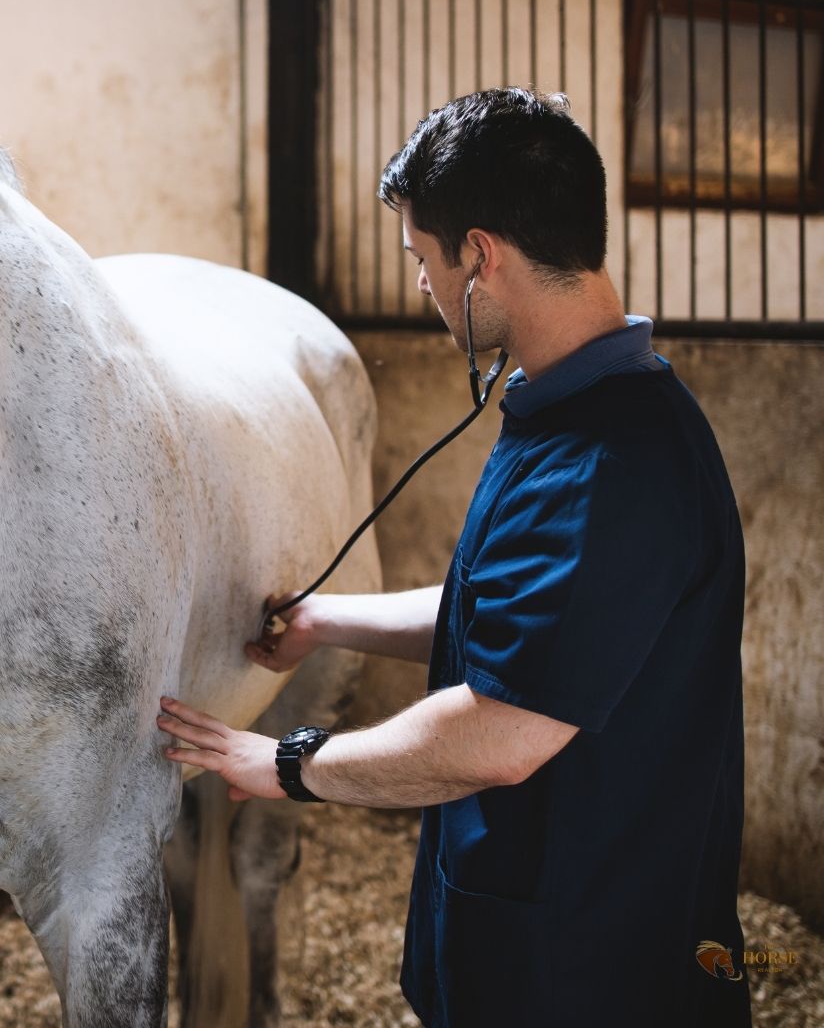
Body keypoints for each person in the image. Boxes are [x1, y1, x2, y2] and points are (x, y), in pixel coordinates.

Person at [158, 88, 750, 1027]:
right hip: (529, 943)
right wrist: (324, 622)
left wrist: (287, 763)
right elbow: (515, 620)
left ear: (480, 257)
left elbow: (503, 732)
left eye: (424, 261)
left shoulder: (612, 462)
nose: (421, 290)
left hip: (584, 972)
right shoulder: (573, 411)